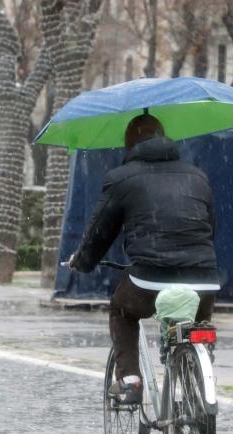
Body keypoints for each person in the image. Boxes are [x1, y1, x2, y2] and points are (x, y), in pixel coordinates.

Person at [68, 113, 219, 404]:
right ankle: (198, 382)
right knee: (195, 328)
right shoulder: (197, 175)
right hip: (203, 278)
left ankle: (130, 381)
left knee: (122, 312)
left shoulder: (121, 178)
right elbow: (210, 227)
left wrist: (82, 261)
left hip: (150, 278)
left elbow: (99, 232)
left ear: (129, 144)